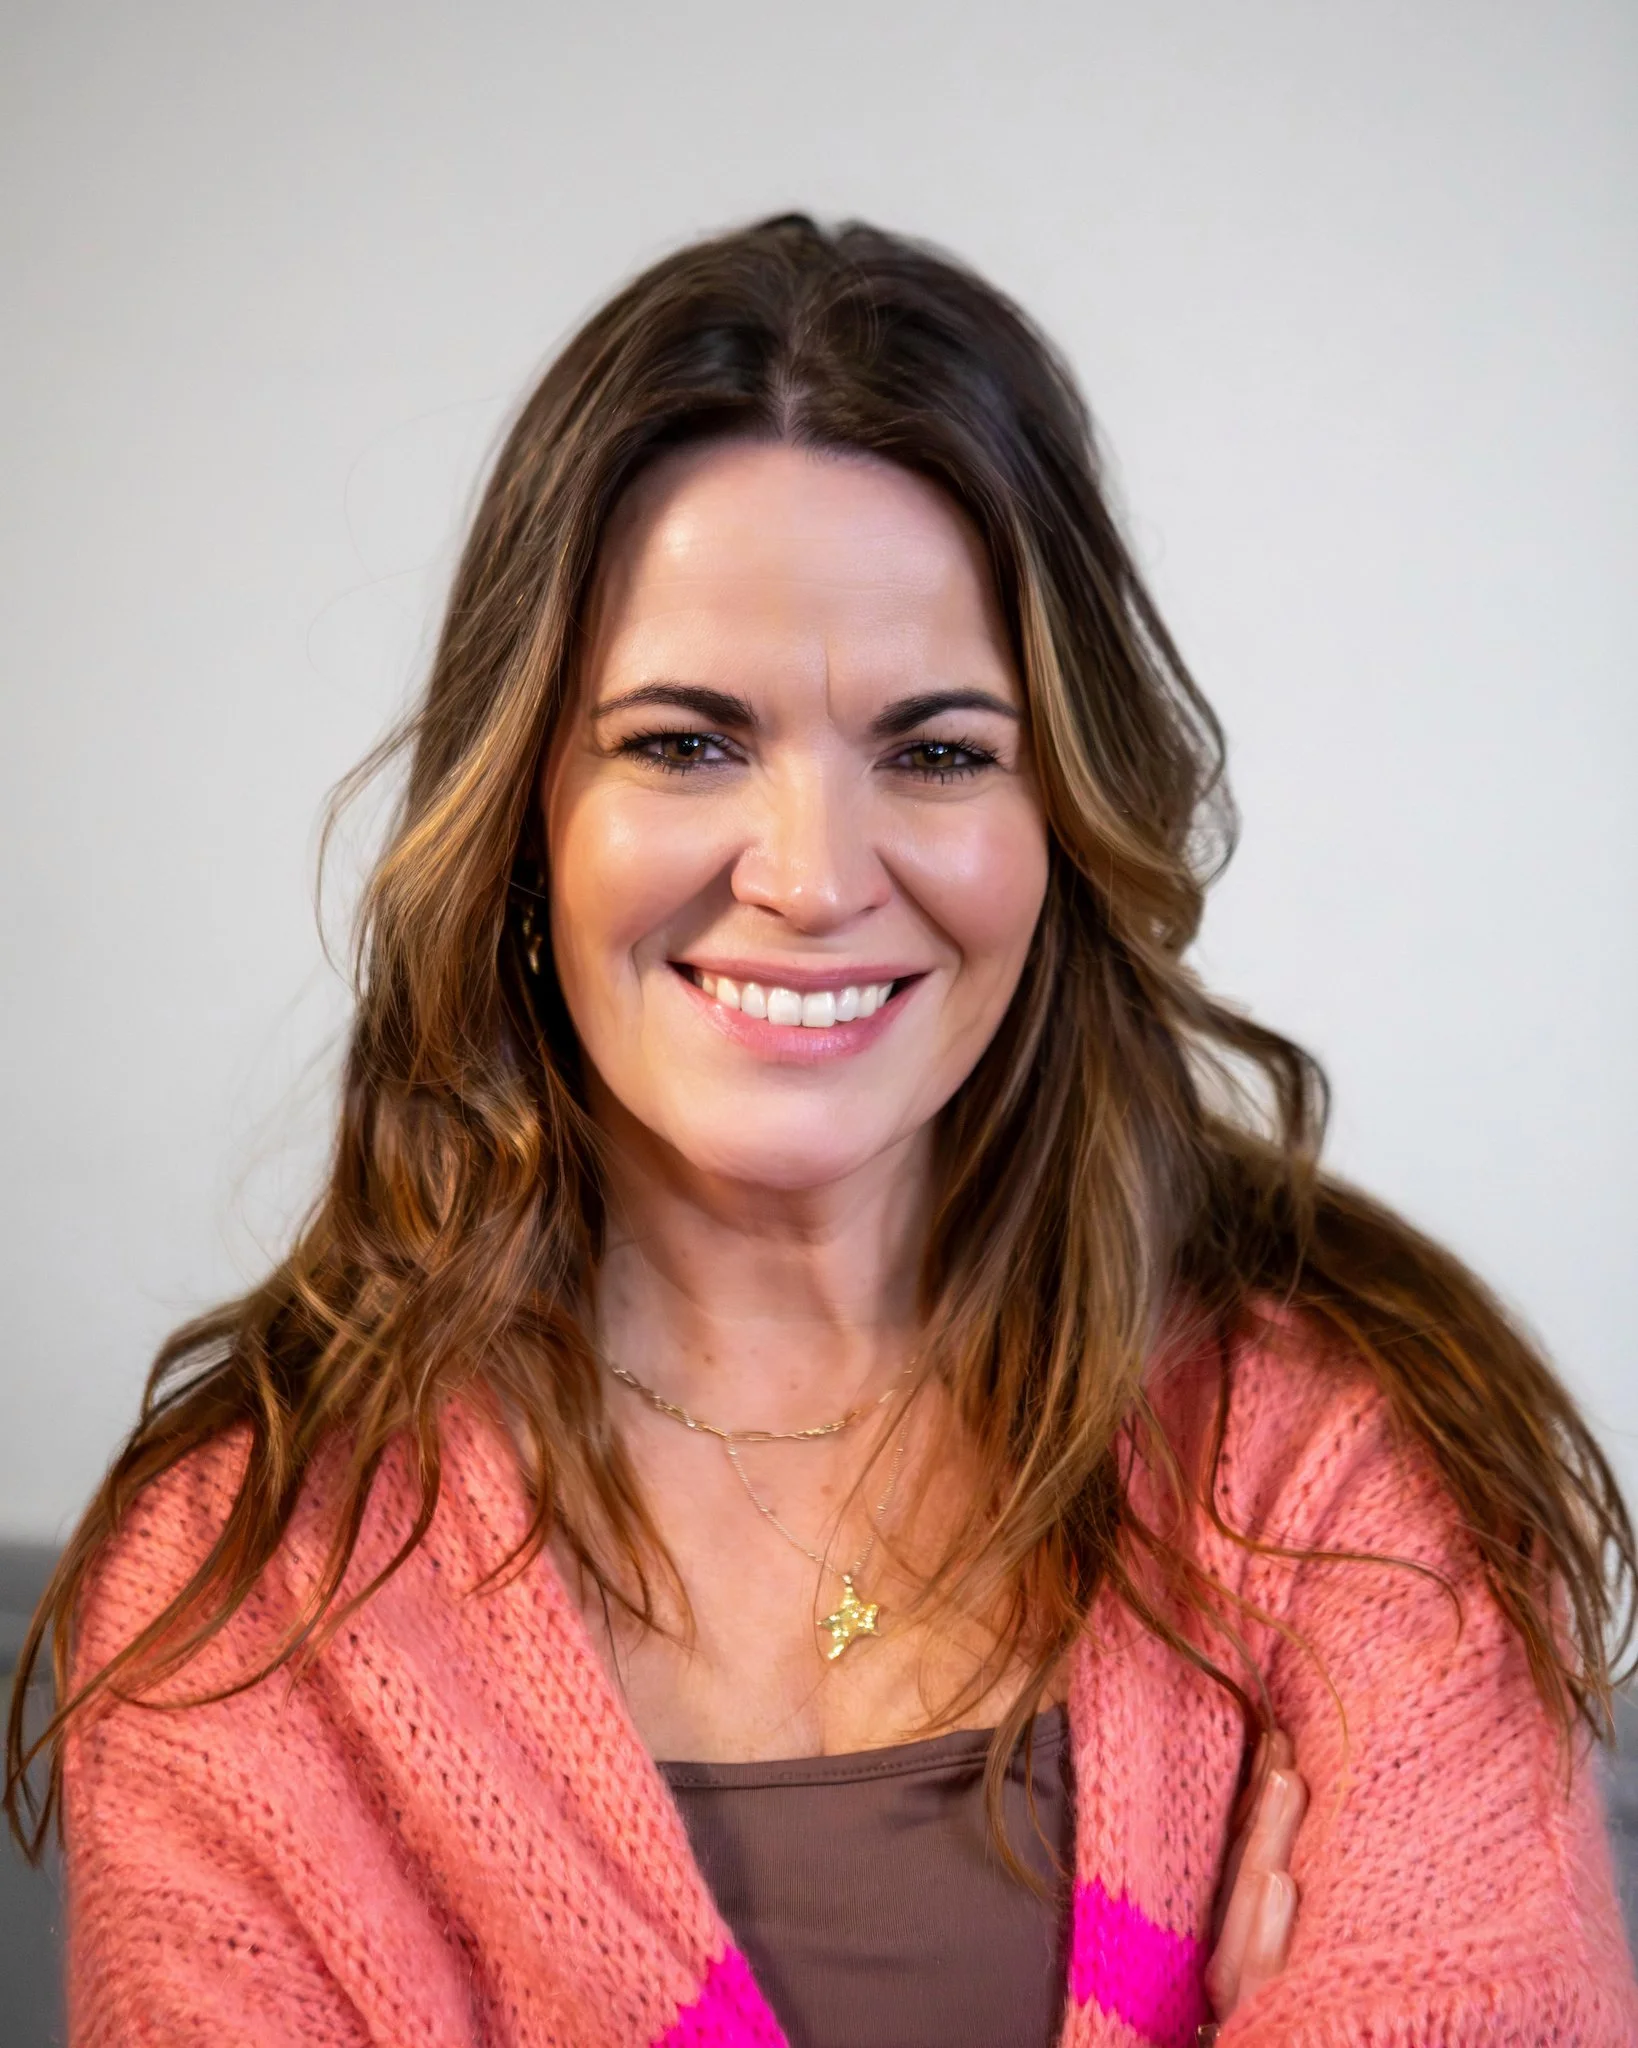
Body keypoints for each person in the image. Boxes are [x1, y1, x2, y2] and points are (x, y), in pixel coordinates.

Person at [7, 212, 1636, 2048]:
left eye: (936, 752)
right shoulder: (252, 1601)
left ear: (1062, 824)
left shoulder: (1336, 1480)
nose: (806, 877)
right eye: (684, 744)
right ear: (525, 805)